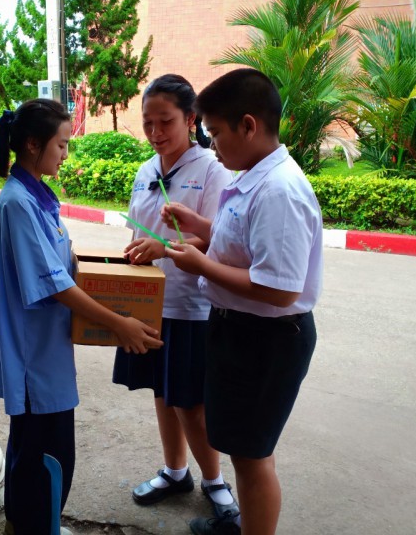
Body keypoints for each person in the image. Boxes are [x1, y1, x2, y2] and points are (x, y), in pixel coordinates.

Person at [0, 99, 163, 535]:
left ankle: (26, 525)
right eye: (62, 145)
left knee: (33, 447)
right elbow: (55, 286)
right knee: (48, 454)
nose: (66, 154)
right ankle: (37, 527)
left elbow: (63, 266)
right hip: (33, 356)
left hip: (45, 349)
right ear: (33, 144)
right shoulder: (18, 204)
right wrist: (119, 323)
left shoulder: (36, 196)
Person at [162, 68, 322, 535]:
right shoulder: (255, 177)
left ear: (248, 125)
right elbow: (244, 242)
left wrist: (202, 265)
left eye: (215, 133)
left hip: (267, 339)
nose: (211, 145)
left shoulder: (279, 190)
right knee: (242, 450)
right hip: (241, 330)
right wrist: (199, 224)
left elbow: (280, 287)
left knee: (253, 458)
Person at [113, 74, 238, 519]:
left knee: (191, 401)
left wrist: (165, 248)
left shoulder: (212, 170)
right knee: (162, 392)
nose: (155, 132)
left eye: (165, 121)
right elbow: (138, 230)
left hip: (191, 306)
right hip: (149, 303)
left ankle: (215, 480)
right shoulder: (146, 170)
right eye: (148, 123)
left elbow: (221, 240)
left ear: (190, 119)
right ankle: (175, 471)